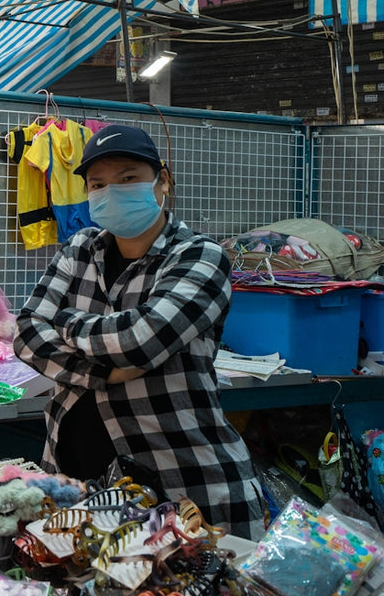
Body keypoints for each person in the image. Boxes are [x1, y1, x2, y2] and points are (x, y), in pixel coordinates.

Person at [14, 124, 264, 539]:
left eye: (128, 178)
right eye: (98, 183)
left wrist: (66, 323)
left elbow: (139, 341)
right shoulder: (79, 249)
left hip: (183, 487)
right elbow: (25, 334)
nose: (111, 191)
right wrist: (104, 373)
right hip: (74, 485)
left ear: (163, 180)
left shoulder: (200, 255)